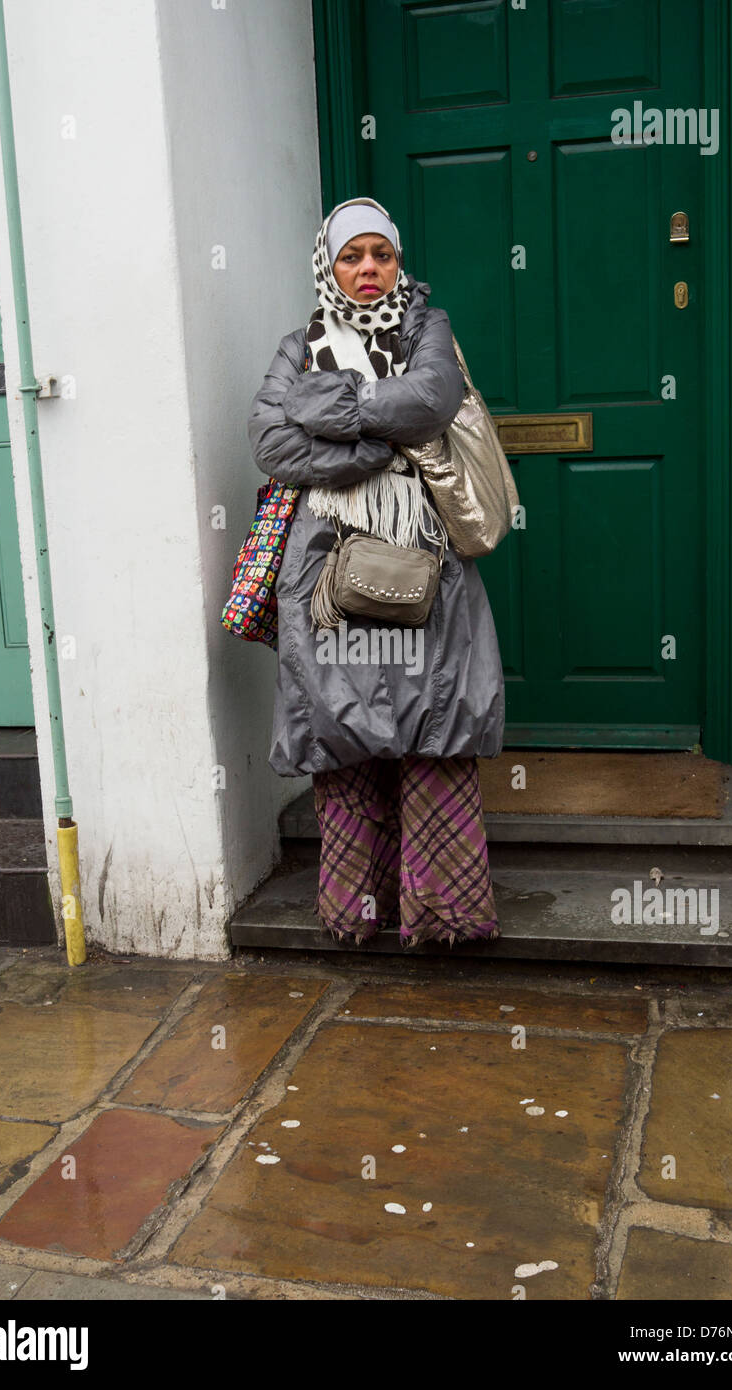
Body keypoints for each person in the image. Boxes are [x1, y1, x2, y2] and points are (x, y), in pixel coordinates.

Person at [247, 195, 505, 949]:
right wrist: (376, 445)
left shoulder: (428, 328)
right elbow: (272, 444)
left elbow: (428, 399)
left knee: (433, 719)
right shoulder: (296, 346)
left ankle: (440, 912)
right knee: (341, 725)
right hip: (325, 566)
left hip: (424, 555)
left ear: (399, 261)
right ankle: (361, 909)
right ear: (328, 264)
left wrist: (329, 407)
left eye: (381, 255)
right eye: (351, 256)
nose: (367, 270)